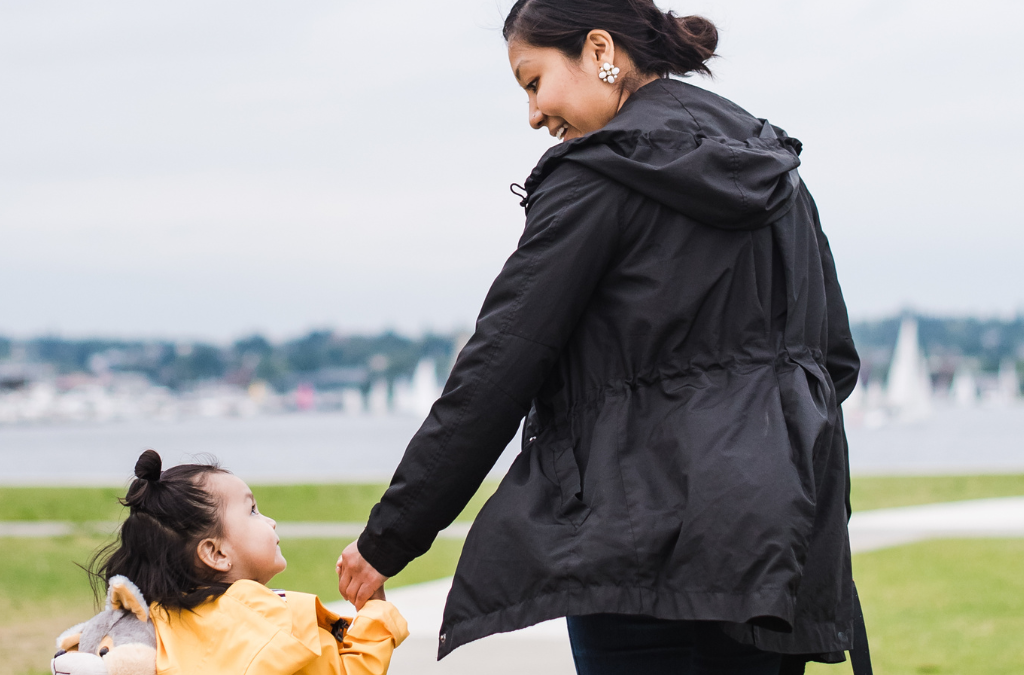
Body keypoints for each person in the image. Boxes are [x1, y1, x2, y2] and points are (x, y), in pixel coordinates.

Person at [336, 1, 864, 673]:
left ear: (598, 50)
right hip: (774, 546)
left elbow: (498, 367)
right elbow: (833, 359)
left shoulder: (596, 176)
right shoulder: (776, 170)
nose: (533, 113)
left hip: (637, 550)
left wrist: (390, 535)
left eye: (533, 81)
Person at [91, 450, 408, 675]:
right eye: (252, 511)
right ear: (216, 553)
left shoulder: (150, 626)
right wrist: (375, 611)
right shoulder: (272, 621)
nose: (270, 521)